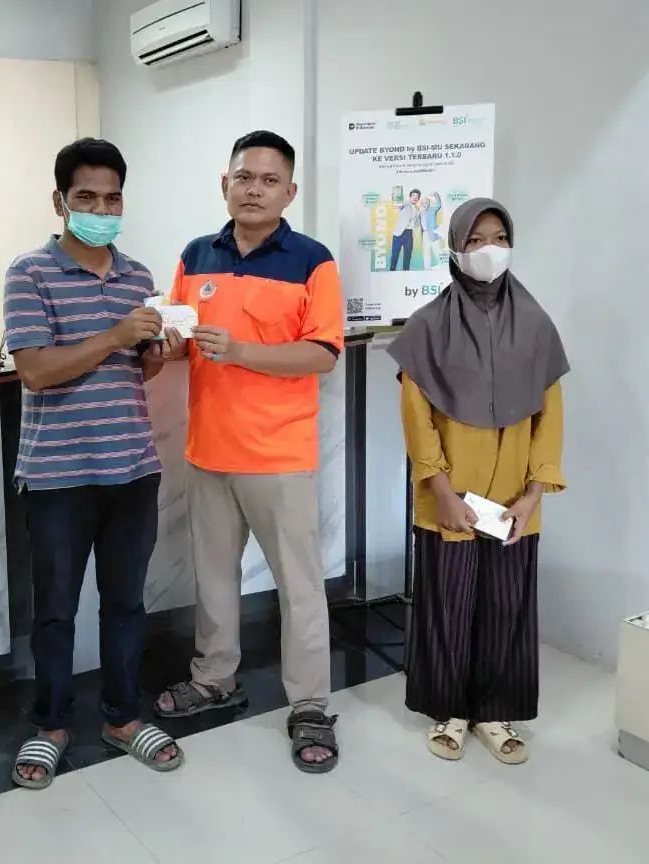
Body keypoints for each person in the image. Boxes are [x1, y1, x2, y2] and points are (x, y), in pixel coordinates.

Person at [154, 130, 345, 774]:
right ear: (225, 184)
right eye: (244, 177)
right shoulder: (195, 255)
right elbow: (179, 339)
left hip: (280, 454)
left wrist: (239, 351)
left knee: (299, 586)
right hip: (208, 449)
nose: (254, 189)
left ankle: (310, 704)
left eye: (269, 180)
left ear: (289, 192)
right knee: (213, 577)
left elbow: (321, 353)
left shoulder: (312, 261)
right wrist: (163, 344)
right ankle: (214, 678)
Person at [4, 138, 183, 789]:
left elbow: (136, 371)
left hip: (132, 467)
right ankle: (51, 723)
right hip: (58, 475)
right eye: (87, 198)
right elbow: (35, 371)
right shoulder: (29, 274)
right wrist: (114, 335)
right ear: (60, 202)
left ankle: (122, 716)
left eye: (112, 199)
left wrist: (155, 352)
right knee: (55, 610)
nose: (102, 210)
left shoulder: (138, 278)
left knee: (126, 604)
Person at [388, 197, 568, 766]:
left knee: (506, 606)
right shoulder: (427, 327)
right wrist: (440, 491)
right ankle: (450, 710)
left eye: (499, 238)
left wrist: (534, 495)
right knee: (448, 604)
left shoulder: (536, 325)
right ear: (455, 248)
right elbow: (417, 418)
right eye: (475, 240)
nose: (488, 249)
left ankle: (494, 711)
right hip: (449, 497)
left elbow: (550, 417)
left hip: (516, 499)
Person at [389, 188, 422, 271]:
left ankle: (406, 273)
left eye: (417, 197)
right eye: (413, 196)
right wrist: (395, 196)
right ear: (410, 196)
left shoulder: (417, 209)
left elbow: (417, 223)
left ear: (418, 199)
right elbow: (397, 204)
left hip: (409, 233)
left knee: (408, 255)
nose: (415, 198)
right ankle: (391, 272)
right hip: (398, 233)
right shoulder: (405, 204)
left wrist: (419, 213)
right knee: (394, 255)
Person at [422, 191, 444, 269]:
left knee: (436, 249)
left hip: (432, 232)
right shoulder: (420, 212)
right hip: (425, 233)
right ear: (422, 204)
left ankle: (442, 265)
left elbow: (439, 205)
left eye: (427, 202)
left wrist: (436, 195)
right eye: (424, 203)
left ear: (429, 203)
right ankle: (427, 268)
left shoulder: (432, 209)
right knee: (426, 251)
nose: (425, 204)